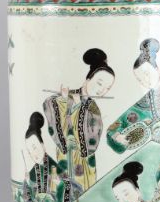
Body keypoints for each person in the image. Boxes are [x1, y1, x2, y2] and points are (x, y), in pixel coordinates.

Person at [44, 48, 115, 191]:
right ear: (88, 80)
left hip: (83, 160)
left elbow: (93, 137)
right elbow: (49, 105)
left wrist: (78, 107)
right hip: (65, 154)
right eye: (99, 83)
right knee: (64, 188)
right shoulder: (67, 95)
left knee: (85, 190)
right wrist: (64, 100)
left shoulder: (93, 109)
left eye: (107, 88)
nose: (102, 90)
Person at [107, 38, 160, 153]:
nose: (145, 81)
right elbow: (117, 125)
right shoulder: (145, 102)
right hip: (156, 150)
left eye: (146, 73)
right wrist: (117, 136)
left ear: (157, 69)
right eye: (140, 79)